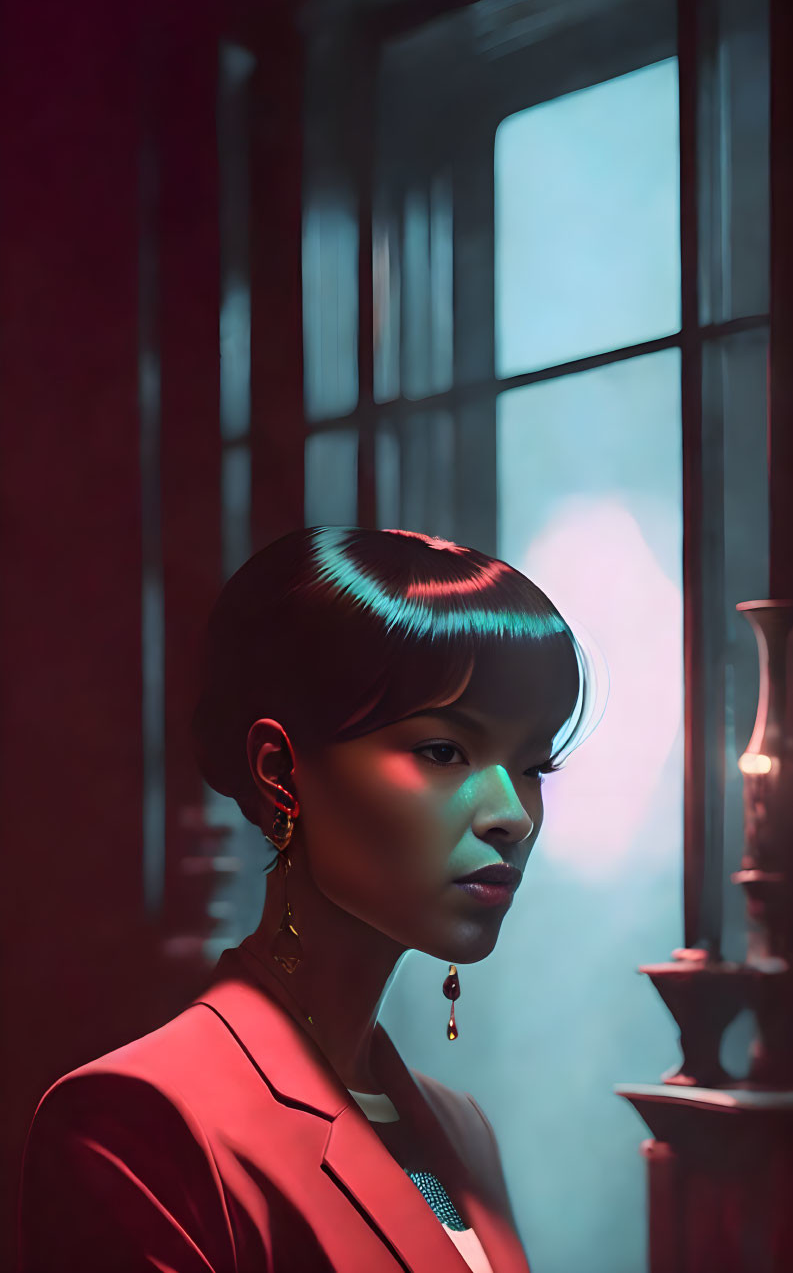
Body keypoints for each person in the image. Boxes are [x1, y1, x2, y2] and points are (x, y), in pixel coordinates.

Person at [17, 526, 597, 1273]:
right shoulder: (139, 1121)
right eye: (443, 752)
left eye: (531, 764)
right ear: (279, 772)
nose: (511, 815)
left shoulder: (461, 1131)